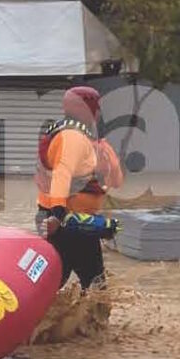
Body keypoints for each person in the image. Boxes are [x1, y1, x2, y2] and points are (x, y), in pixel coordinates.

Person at [36, 85, 124, 289]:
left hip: (61, 219)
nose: (100, 112)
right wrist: (57, 215)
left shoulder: (77, 136)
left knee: (56, 281)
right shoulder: (73, 138)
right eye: (97, 106)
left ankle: (54, 318)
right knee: (96, 287)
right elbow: (62, 174)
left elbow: (116, 180)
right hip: (68, 221)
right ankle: (92, 320)